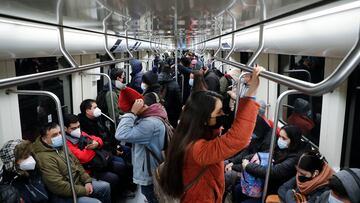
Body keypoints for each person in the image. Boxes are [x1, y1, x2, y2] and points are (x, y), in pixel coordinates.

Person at [158, 66, 263, 203]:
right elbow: (238, 139)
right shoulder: (197, 149)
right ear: (204, 119)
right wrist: (252, 90)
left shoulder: (188, 133)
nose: (222, 115)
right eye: (218, 112)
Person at [32, 122, 111, 203]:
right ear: (44, 139)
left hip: (78, 182)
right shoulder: (44, 158)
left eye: (60, 133)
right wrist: (83, 190)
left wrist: (87, 181)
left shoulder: (61, 146)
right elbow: (58, 186)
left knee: (105, 186)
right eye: (54, 135)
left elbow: (77, 163)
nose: (59, 136)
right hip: (65, 194)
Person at [64, 114, 134, 201]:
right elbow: (83, 157)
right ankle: (115, 198)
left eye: (78, 126)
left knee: (122, 166)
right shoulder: (66, 142)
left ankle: (123, 191)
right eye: (73, 128)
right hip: (89, 169)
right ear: (65, 129)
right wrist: (94, 147)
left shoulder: (80, 133)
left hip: (98, 162)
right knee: (113, 178)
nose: (77, 130)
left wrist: (97, 144)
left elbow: (97, 139)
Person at [115, 87, 167, 203]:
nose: (127, 114)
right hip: (154, 163)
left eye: (127, 111)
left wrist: (132, 113)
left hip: (149, 170)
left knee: (151, 194)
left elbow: (120, 134)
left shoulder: (149, 123)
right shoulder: (156, 111)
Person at [232, 125, 303, 202]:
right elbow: (261, 154)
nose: (280, 140)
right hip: (263, 182)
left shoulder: (294, 159)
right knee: (238, 189)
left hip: (273, 189)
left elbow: (273, 171)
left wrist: (248, 166)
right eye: (279, 137)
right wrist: (247, 158)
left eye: (284, 138)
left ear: (293, 141)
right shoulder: (279, 148)